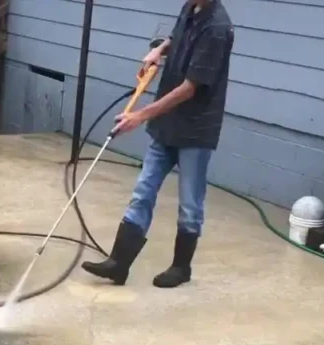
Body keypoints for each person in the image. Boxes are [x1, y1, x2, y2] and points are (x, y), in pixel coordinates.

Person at [81, 0, 234, 288]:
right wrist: (159, 50)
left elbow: (189, 89)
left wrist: (140, 116)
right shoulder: (191, 7)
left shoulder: (217, 28)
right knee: (143, 191)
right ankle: (119, 264)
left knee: (189, 203)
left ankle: (181, 267)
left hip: (196, 128)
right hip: (166, 124)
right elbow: (177, 36)